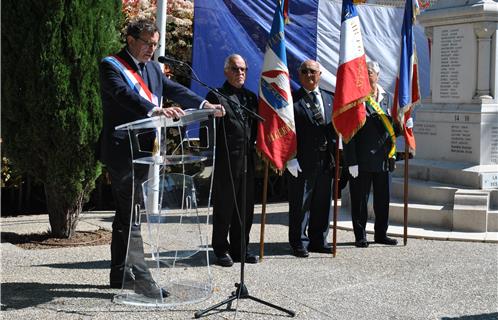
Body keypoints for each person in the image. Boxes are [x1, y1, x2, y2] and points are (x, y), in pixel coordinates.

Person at [98, 18, 224, 297]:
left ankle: (119, 273)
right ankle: (140, 278)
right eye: (147, 44)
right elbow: (122, 95)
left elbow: (173, 89)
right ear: (131, 40)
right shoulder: (111, 65)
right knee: (132, 213)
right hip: (122, 150)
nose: (151, 50)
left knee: (127, 214)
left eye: (155, 45)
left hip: (145, 150)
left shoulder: (154, 68)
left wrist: (204, 104)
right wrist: (153, 111)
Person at [205, 54, 258, 267]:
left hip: (247, 159)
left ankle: (240, 248)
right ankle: (220, 249)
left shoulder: (250, 98)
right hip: (226, 161)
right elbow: (206, 131)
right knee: (225, 207)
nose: (240, 73)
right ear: (227, 71)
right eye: (236, 69)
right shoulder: (216, 95)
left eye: (243, 69)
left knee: (245, 208)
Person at [343, 60, 401, 248]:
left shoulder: (388, 98)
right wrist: (351, 160)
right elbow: (349, 132)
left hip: (384, 158)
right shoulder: (356, 99)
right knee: (360, 199)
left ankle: (381, 233)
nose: (368, 76)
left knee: (383, 199)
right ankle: (360, 235)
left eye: (370, 72)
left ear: (377, 75)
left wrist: (404, 126)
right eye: (365, 72)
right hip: (361, 159)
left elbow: (392, 129)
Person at [286, 60, 338, 258]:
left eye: (313, 72)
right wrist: (290, 158)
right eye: (305, 71)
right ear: (299, 74)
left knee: (322, 203)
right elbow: (287, 133)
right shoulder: (292, 100)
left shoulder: (330, 99)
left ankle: (318, 239)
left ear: (320, 74)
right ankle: (299, 241)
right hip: (301, 161)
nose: (309, 75)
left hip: (326, 160)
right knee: (300, 204)